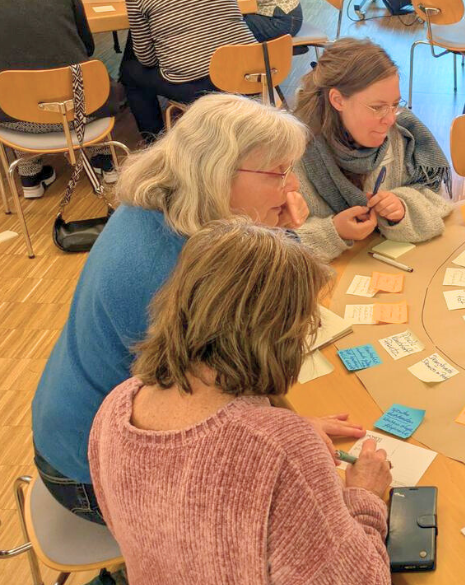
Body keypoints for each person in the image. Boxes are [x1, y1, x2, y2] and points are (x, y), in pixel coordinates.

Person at [31, 94, 364, 525]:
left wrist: (277, 230)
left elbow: (267, 278)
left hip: (80, 431)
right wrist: (287, 434)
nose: (292, 188)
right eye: (279, 174)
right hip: (90, 475)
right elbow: (224, 406)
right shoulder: (168, 269)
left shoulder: (165, 207)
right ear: (218, 173)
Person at [89, 219, 392, 583]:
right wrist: (366, 497)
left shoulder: (118, 403)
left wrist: (269, 426)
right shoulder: (283, 449)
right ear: (281, 335)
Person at [293, 38, 452, 261]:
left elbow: (435, 199)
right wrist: (333, 231)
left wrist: (402, 208)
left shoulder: (402, 137)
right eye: (377, 107)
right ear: (338, 100)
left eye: (395, 104)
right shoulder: (293, 153)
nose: (389, 119)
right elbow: (271, 242)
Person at [0, 0, 119, 198]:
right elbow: (87, 46)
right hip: (79, 113)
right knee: (84, 80)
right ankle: (103, 160)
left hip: (10, 117)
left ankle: (29, 176)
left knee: (9, 85)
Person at [120, 0, 257, 138]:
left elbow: (147, 59)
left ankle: (155, 142)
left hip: (199, 86)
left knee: (129, 71)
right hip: (252, 75)